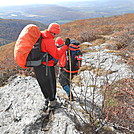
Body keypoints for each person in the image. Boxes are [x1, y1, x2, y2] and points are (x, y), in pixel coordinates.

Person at [33, 23, 70, 110]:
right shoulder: (48, 40)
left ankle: (46, 99)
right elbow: (57, 55)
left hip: (37, 64)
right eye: (56, 33)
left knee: (42, 83)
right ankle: (52, 102)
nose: (56, 35)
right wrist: (65, 46)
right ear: (55, 32)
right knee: (51, 84)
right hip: (46, 66)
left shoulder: (41, 35)